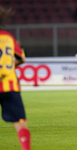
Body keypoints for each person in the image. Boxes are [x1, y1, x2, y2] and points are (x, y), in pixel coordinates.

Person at [0, 6, 31, 150]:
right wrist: (9, 66)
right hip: (9, 85)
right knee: (20, 123)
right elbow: (22, 59)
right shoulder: (8, 37)